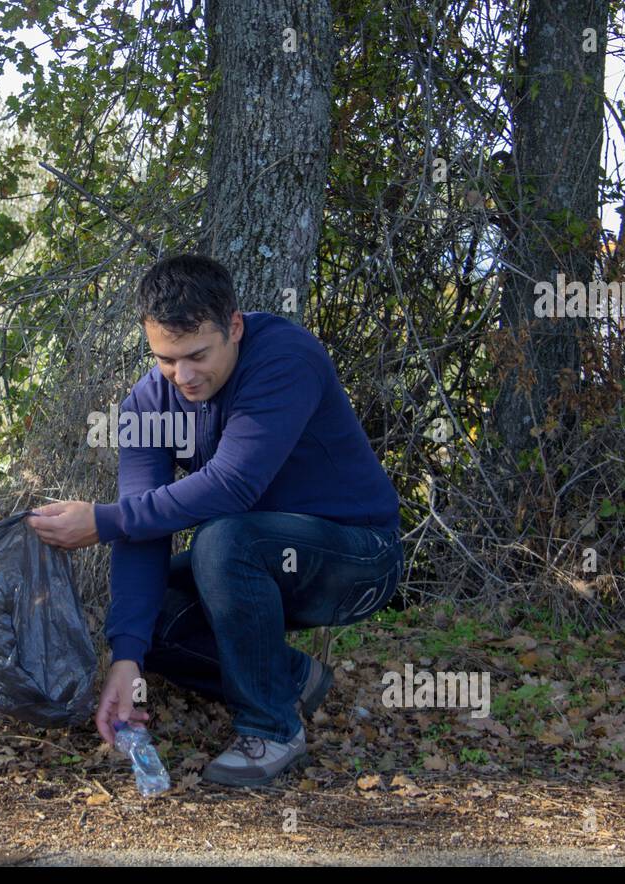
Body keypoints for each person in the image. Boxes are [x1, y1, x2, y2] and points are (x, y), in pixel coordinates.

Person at [28, 253, 402, 787]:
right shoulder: (147, 405)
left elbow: (233, 485)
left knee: (221, 540)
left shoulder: (284, 356)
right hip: (257, 557)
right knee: (144, 616)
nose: (183, 375)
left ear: (234, 326)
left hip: (357, 556)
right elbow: (141, 529)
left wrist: (102, 520)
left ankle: (271, 729)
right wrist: (126, 659)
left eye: (197, 355)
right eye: (165, 359)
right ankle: (289, 677)